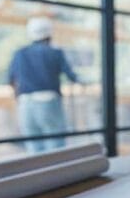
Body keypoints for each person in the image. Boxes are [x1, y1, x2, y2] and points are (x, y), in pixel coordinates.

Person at [8, 17, 80, 153]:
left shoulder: (20, 54)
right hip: (48, 103)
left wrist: (19, 101)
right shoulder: (55, 53)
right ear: (49, 34)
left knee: (34, 150)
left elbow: (12, 81)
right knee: (56, 147)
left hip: (25, 104)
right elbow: (72, 76)